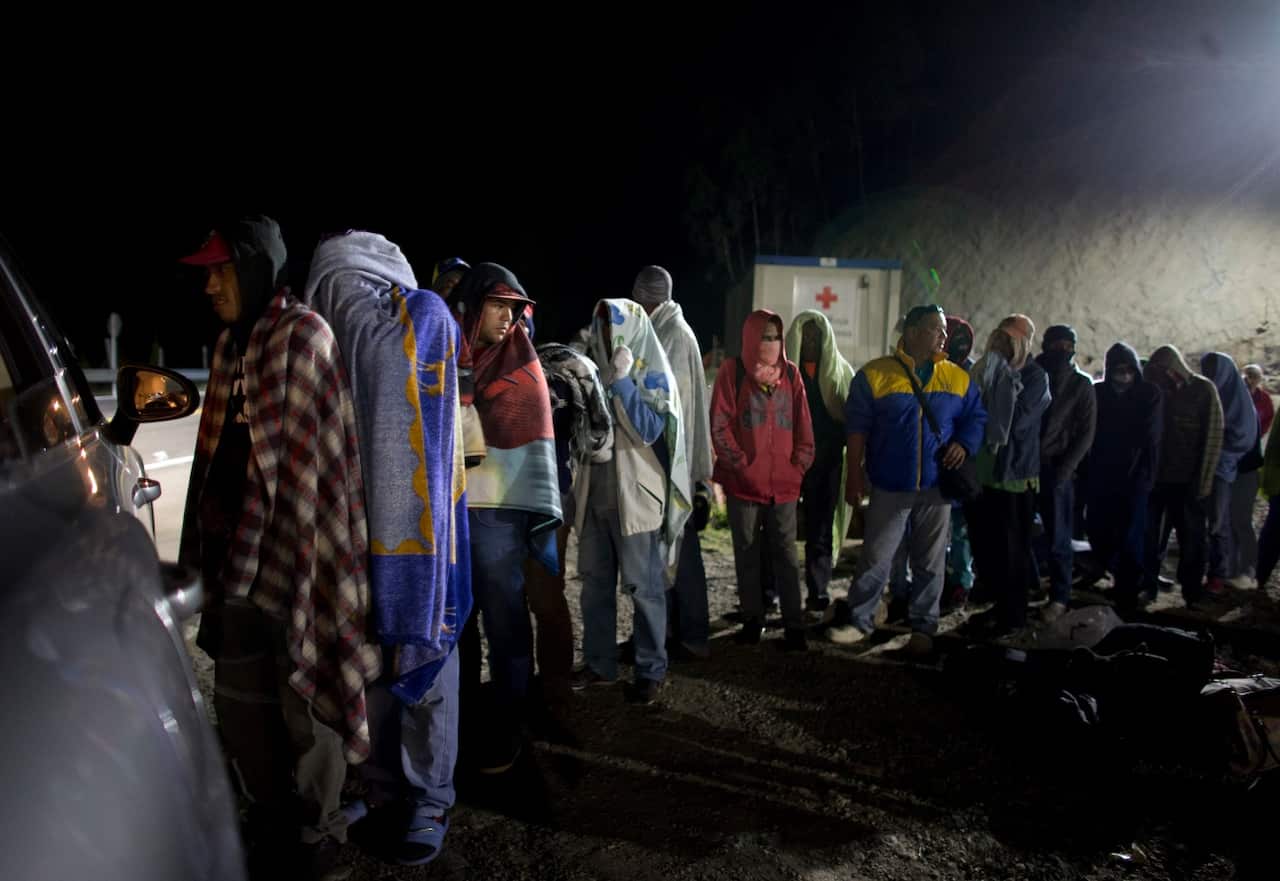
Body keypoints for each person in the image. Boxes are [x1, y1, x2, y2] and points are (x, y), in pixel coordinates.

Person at [178, 217, 379, 880]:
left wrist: (300, 552)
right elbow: (215, 459)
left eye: (221, 270)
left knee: (306, 698)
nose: (210, 284)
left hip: (296, 555)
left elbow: (318, 473)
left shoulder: (304, 337)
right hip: (236, 558)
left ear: (256, 266)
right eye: (207, 272)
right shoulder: (229, 347)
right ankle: (267, 813)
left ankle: (316, 827)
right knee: (241, 703)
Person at [302, 230, 471, 866]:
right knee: (369, 657)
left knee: (427, 657)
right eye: (332, 292)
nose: (342, 304)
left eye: (352, 289)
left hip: (424, 537)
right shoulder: (317, 335)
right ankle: (379, 787)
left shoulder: (423, 317)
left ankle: (431, 796)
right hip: (351, 521)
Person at [452, 263, 562, 772]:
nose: (507, 318)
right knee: (459, 623)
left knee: (504, 619)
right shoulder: (450, 356)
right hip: (455, 510)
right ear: (473, 306)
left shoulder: (521, 366)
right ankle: (466, 716)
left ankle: (510, 723)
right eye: (497, 305)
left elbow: (530, 439)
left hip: (499, 511)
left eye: (514, 308)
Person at [831, 304, 986, 654]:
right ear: (913, 332)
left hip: (936, 488)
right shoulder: (874, 375)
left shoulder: (958, 378)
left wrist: (964, 443)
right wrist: (854, 476)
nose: (944, 336)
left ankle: (923, 627)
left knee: (930, 561)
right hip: (890, 486)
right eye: (936, 328)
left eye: (944, 329)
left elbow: (975, 417)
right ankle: (859, 620)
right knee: (876, 557)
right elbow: (856, 429)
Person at [577, 298, 691, 704]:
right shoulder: (590, 368)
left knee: (644, 588)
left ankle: (650, 669)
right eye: (602, 327)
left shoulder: (652, 374)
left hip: (636, 496)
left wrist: (622, 382)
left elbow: (647, 429)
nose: (608, 336)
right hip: (596, 495)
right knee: (594, 586)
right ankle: (599, 663)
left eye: (615, 327)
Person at [711, 309, 815, 649]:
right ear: (750, 337)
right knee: (747, 553)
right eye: (764, 336)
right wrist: (740, 464)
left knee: (785, 555)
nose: (770, 343)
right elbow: (720, 424)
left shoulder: (792, 375)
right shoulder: (733, 371)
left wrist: (798, 464)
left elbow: (804, 427)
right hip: (744, 485)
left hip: (783, 486)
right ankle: (753, 620)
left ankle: (794, 626)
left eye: (775, 337)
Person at [633, 266, 715, 659]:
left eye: (639, 298)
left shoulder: (673, 337)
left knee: (677, 549)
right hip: (667, 459)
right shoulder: (663, 331)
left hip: (670, 459)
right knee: (674, 548)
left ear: (649, 299)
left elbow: (672, 408)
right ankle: (678, 633)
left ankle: (689, 635)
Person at [530, 341, 613, 729]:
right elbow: (598, 442)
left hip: (545, 504)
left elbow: (598, 438)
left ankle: (553, 696)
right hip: (519, 503)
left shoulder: (559, 373)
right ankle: (540, 696)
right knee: (522, 604)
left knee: (543, 599)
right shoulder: (479, 364)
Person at [967, 316, 1051, 635]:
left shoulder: (1034, 377)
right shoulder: (988, 371)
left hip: (1014, 478)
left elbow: (1016, 422)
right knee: (988, 547)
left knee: (1012, 551)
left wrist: (996, 393)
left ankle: (1012, 616)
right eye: (999, 339)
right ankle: (997, 607)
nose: (1002, 346)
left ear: (1024, 343)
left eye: (1009, 341)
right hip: (985, 476)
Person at [1142, 345, 1223, 607]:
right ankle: (1148, 587)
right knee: (1150, 538)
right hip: (1156, 480)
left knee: (1192, 542)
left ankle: (1191, 593)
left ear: (1173, 370)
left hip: (1188, 482)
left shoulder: (1203, 391)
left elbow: (1212, 438)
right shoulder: (1155, 390)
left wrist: (1203, 482)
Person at [785, 309, 855, 614]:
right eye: (806, 335)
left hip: (825, 464)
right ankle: (773, 591)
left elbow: (850, 420)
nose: (811, 341)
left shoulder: (842, 374)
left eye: (817, 335)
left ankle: (818, 592)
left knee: (820, 529)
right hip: (787, 463)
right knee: (779, 530)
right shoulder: (784, 373)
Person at [1084, 343, 1163, 607]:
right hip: (1102, 474)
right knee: (1099, 527)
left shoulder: (1148, 394)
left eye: (1129, 369)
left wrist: (1137, 471)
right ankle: (1111, 570)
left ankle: (1129, 588)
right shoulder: (1099, 392)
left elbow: (1147, 436)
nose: (1124, 375)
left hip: (1136, 476)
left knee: (1131, 532)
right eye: (1118, 370)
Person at [1034, 325, 1096, 621]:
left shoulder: (1081, 385)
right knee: (1021, 533)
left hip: (1058, 470)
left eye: (1066, 345)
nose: (1061, 351)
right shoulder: (1030, 375)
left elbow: (1086, 433)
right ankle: (1028, 587)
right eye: (1055, 345)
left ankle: (1059, 596)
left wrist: (1065, 469)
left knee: (1059, 538)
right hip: (1026, 468)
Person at [1200, 352, 1260, 592]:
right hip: (1210, 467)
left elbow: (1243, 439)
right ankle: (1215, 570)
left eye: (1214, 372)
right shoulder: (1210, 396)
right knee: (1211, 521)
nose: (1211, 377)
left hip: (1230, 470)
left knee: (1223, 522)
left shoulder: (1241, 403)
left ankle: (1226, 572)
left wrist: (1214, 446)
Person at [1243, 364, 1274, 436]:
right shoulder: (1237, 395)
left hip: (1255, 436)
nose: (1251, 381)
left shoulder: (1265, 398)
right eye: (1249, 377)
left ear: (1259, 379)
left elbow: (1268, 417)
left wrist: (1259, 433)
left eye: (1254, 377)